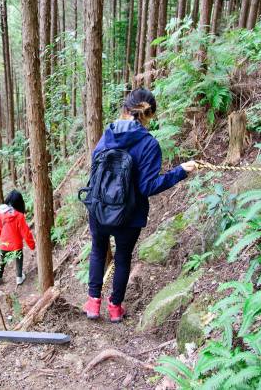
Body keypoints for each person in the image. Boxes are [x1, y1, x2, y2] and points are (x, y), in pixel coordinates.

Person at [83, 88, 197, 323]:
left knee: (97, 250)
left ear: (125, 110)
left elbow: (94, 168)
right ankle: (115, 308)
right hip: (129, 215)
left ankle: (93, 304)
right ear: (150, 115)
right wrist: (179, 173)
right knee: (123, 258)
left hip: (99, 208)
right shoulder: (149, 144)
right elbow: (147, 186)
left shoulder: (109, 133)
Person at [0, 190, 35, 285]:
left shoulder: (1, 213)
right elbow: (26, 232)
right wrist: (32, 245)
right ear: (19, 203)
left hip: (3, 243)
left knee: (2, 259)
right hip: (16, 244)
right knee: (19, 257)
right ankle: (19, 277)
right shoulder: (19, 216)